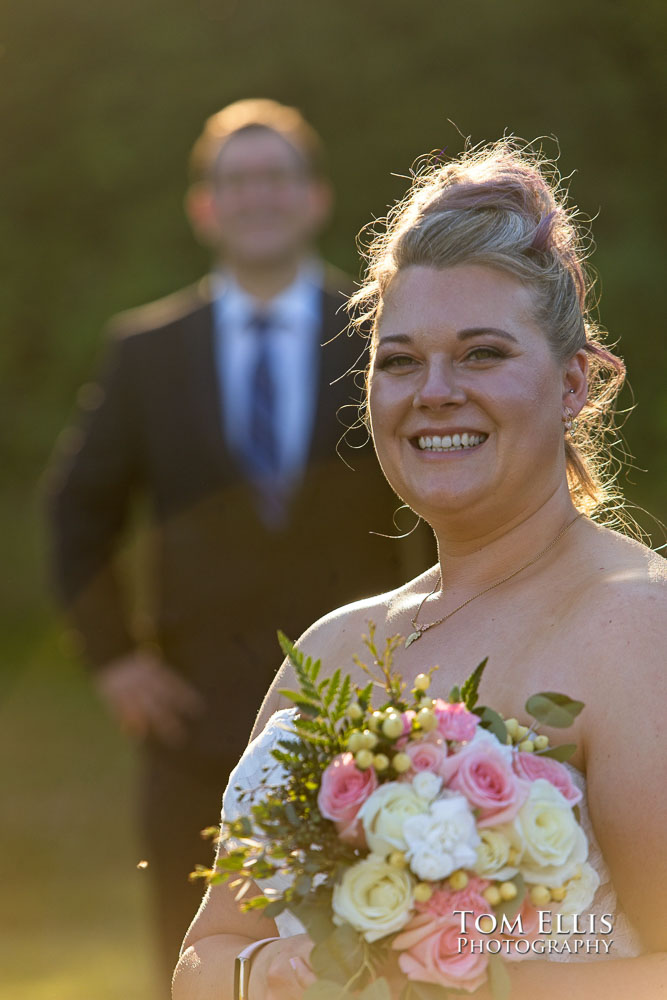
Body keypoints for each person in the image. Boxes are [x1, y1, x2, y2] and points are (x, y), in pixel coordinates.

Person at [172, 139, 667, 1000]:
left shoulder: (634, 626)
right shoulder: (332, 650)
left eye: (481, 354)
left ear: (573, 384)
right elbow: (204, 953)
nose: (432, 391)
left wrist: (461, 983)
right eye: (399, 360)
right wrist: (271, 974)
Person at [46, 99, 425, 991]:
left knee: (369, 960)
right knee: (197, 964)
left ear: (315, 197)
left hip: (360, 720)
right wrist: (112, 660)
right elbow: (76, 508)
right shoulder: (145, 352)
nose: (258, 195)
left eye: (277, 176)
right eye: (236, 179)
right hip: (192, 725)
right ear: (204, 206)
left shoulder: (383, 338)